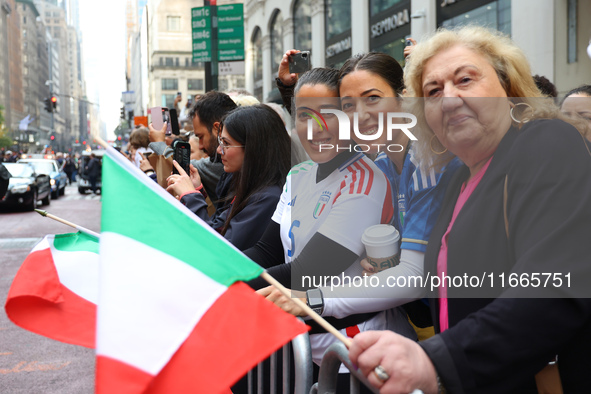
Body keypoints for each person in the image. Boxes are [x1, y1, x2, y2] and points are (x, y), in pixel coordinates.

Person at [349, 26, 591, 393]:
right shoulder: (457, 179)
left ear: (508, 88)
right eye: (433, 91)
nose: (448, 99)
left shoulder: (546, 142)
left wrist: (436, 361)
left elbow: (552, 284)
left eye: (465, 79)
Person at [266, 51, 462, 339]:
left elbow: (415, 277)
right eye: (348, 105)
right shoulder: (381, 162)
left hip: (466, 323)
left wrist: (312, 298)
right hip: (422, 321)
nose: (361, 115)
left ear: (403, 96)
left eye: (372, 98)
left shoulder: (429, 162)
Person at [243, 68, 413, 393]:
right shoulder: (299, 174)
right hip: (301, 351)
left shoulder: (365, 180)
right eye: (305, 115)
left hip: (357, 353)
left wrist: (222, 288)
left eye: (329, 114)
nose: (316, 128)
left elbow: (307, 271)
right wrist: (216, 267)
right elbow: (266, 251)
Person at [166, 105, 291, 251]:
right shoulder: (248, 184)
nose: (219, 150)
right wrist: (197, 191)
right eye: (220, 142)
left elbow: (220, 249)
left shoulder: (268, 197)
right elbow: (219, 227)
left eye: (226, 144)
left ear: (253, 147)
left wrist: (191, 197)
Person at [149, 91, 237, 207]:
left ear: (217, 129)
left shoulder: (228, 167)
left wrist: (191, 196)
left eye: (201, 137)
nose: (200, 146)